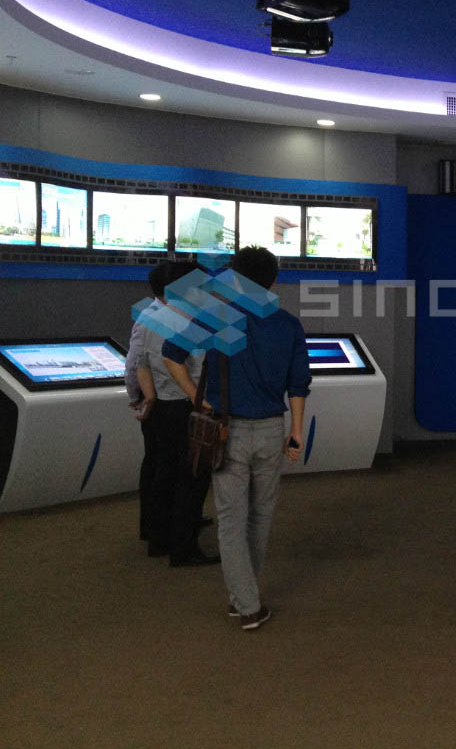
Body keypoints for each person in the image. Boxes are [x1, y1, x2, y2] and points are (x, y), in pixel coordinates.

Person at [164, 246, 311, 631]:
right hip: (271, 429)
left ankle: (245, 603)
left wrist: (196, 397)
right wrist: (296, 431)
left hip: (225, 430)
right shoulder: (289, 325)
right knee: (261, 516)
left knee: (231, 518)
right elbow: (298, 384)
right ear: (273, 281)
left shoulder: (216, 316)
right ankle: (246, 596)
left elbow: (171, 354)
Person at [141, 260, 218, 566]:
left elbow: (141, 362)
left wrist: (148, 397)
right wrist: (201, 401)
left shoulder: (153, 316)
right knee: (193, 478)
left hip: (163, 405)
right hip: (188, 407)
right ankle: (184, 548)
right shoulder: (190, 321)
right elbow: (190, 367)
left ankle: (159, 539)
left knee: (166, 474)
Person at [126, 261, 172, 542]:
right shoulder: (152, 318)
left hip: (158, 397)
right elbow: (134, 363)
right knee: (158, 462)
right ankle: (154, 527)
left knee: (160, 461)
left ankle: (163, 522)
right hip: (157, 400)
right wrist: (137, 397)